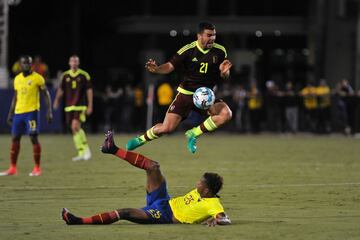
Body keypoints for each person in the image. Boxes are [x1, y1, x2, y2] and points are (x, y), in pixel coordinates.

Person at [62, 131, 231, 226]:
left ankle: (78, 221)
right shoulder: (204, 192)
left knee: (124, 213)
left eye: (200, 183)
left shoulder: (214, 204)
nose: (197, 183)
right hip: (164, 200)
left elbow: (224, 218)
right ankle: (112, 149)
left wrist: (216, 219)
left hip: (164, 215)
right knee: (153, 166)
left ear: (207, 190)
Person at [126, 22, 232, 153]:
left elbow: (225, 75)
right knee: (166, 128)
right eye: (209, 35)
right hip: (186, 94)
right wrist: (157, 69)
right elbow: (170, 66)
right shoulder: (188, 50)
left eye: (214, 35)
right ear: (199, 36)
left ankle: (194, 133)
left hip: (206, 95)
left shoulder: (220, 51)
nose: (212, 38)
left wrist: (224, 72)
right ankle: (141, 139)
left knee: (226, 114)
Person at [0, 55, 53, 176]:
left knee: (33, 137)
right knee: (15, 138)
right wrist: (10, 113)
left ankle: (37, 168)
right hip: (19, 113)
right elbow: (15, 97)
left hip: (32, 112)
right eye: (24, 63)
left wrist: (49, 111)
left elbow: (46, 94)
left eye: (29, 63)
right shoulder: (17, 79)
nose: (26, 65)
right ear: (20, 64)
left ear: (31, 64)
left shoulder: (38, 78)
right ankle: (12, 168)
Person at [53, 55, 93, 161]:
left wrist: (90, 105)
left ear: (78, 63)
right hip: (69, 106)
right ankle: (81, 152)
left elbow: (89, 90)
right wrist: (57, 100)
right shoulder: (65, 75)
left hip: (80, 105)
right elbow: (61, 89)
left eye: (76, 61)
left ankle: (87, 150)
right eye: (72, 61)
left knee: (75, 126)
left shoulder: (84, 75)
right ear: (69, 63)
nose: (74, 63)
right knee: (74, 129)